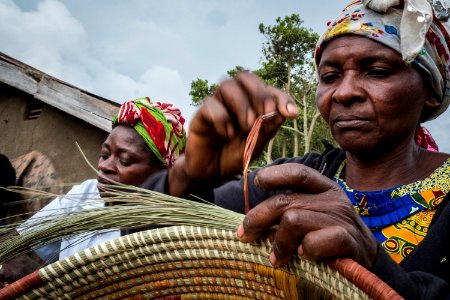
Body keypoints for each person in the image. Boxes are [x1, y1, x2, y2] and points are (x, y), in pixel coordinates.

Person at [140, 1, 450, 298]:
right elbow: (146, 242)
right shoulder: (292, 182)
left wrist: (373, 263)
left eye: (378, 71)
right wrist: (190, 173)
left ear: (430, 91)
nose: (344, 92)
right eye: (330, 77)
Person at [0, 97, 186, 284]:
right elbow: (22, 238)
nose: (105, 166)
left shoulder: (163, 237)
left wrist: (40, 277)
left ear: (162, 174)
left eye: (125, 161)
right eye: (104, 155)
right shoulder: (88, 192)